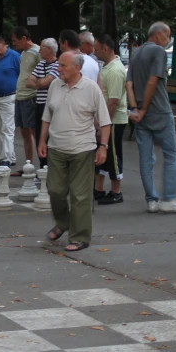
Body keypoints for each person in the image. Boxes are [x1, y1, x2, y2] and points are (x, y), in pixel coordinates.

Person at [39, 52, 111, 252]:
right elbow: (47, 116)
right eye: (59, 65)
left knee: (80, 196)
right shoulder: (55, 85)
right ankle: (63, 222)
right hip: (56, 148)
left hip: (83, 149)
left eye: (63, 65)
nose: (58, 69)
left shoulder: (91, 88)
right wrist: (42, 141)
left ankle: (80, 237)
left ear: (77, 68)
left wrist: (103, 147)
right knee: (55, 190)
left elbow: (105, 122)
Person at [127, 22, 176, 213]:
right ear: (157, 35)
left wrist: (135, 109)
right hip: (159, 111)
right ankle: (170, 198)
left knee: (146, 158)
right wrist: (145, 108)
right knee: (172, 156)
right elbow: (153, 81)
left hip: (139, 114)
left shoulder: (136, 53)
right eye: (167, 36)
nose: (168, 41)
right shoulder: (158, 52)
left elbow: (129, 83)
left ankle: (151, 200)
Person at [93, 34, 128, 205]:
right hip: (106, 120)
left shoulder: (115, 70)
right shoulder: (107, 67)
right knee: (100, 154)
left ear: (105, 49)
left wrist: (102, 123)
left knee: (112, 155)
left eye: (96, 49)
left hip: (113, 121)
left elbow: (113, 101)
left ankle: (116, 191)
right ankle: (98, 189)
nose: (94, 51)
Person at [26, 38, 59, 168]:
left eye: (42, 48)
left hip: (50, 105)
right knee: (40, 135)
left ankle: (51, 168)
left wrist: (40, 82)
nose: (39, 51)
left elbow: (46, 82)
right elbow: (29, 82)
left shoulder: (57, 65)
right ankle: (43, 167)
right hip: (39, 105)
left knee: (51, 137)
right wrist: (42, 84)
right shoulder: (41, 64)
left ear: (49, 49)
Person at [11, 27, 40, 174]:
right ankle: (29, 166)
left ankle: (43, 166)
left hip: (31, 96)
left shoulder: (37, 51)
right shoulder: (23, 53)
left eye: (15, 40)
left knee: (35, 132)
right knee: (24, 133)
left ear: (23, 38)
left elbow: (44, 71)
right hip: (20, 95)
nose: (13, 43)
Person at [0, 34, 20, 167]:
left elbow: (21, 73)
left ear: (3, 43)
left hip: (10, 96)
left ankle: (6, 158)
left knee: (8, 127)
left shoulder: (14, 56)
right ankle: (9, 155)